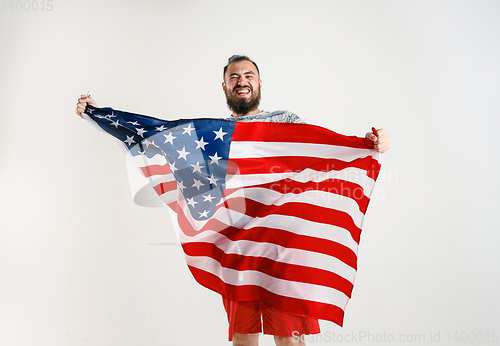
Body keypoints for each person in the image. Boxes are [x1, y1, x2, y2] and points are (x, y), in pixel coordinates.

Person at [75, 55, 390, 346]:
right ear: (225, 86)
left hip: (283, 252)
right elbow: (158, 140)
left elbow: (321, 154)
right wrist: (98, 114)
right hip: (238, 252)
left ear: (260, 83)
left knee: (290, 340)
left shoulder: (285, 121)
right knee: (243, 338)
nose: (242, 80)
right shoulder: (212, 136)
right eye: (234, 76)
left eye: (249, 75)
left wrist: (369, 145)